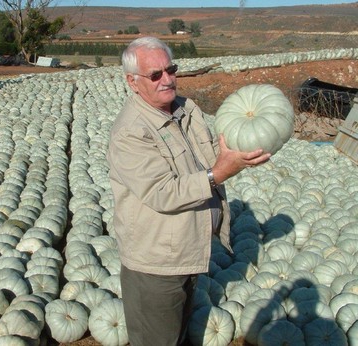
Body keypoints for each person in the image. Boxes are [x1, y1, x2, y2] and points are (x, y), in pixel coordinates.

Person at [106, 36, 271, 346]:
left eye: (171, 69)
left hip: (187, 252)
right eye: (155, 75)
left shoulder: (185, 109)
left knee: (177, 336)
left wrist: (245, 150)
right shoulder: (131, 132)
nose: (167, 79)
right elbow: (163, 192)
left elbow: (209, 154)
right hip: (155, 264)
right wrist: (220, 172)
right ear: (132, 81)